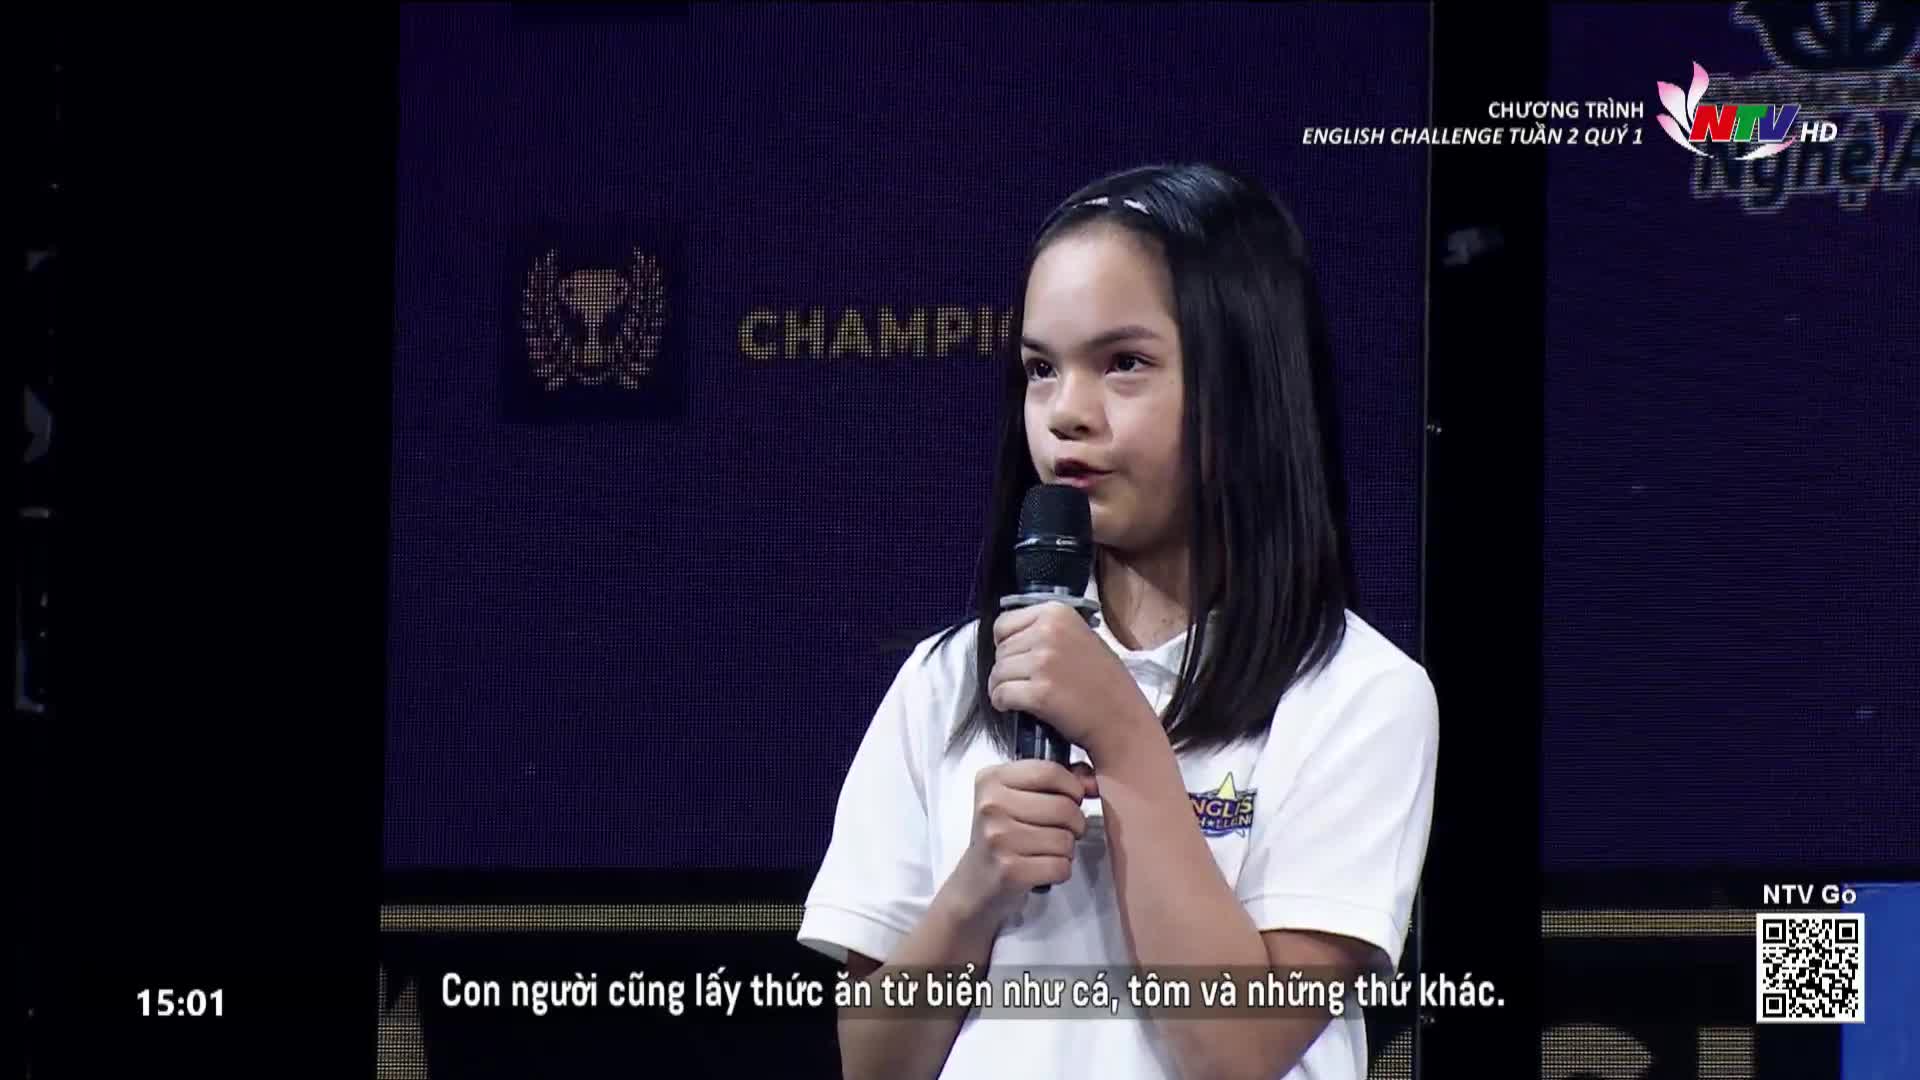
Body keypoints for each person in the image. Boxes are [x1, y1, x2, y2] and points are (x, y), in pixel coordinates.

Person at [796, 162, 1438, 1080]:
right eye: (1040, 370)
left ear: (1246, 385)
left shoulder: (1358, 695)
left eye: (1123, 364)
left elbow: (1234, 1051)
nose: (1067, 414)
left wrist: (1126, 744)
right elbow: (874, 1063)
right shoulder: (948, 681)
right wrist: (976, 887)